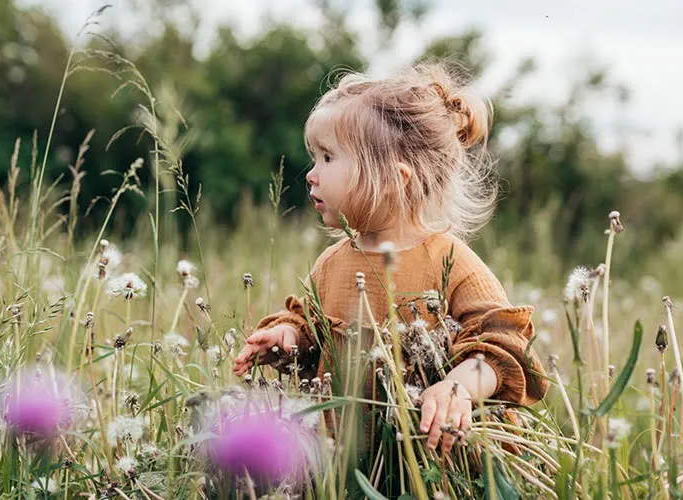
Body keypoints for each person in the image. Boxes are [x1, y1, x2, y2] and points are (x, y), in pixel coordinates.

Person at [233, 63, 548, 458]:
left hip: (431, 463)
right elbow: (313, 334)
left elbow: (502, 348)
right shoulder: (332, 263)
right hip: (345, 461)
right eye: (315, 158)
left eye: (328, 158)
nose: (311, 174)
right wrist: (288, 340)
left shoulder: (449, 260)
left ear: (395, 178)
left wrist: (459, 387)